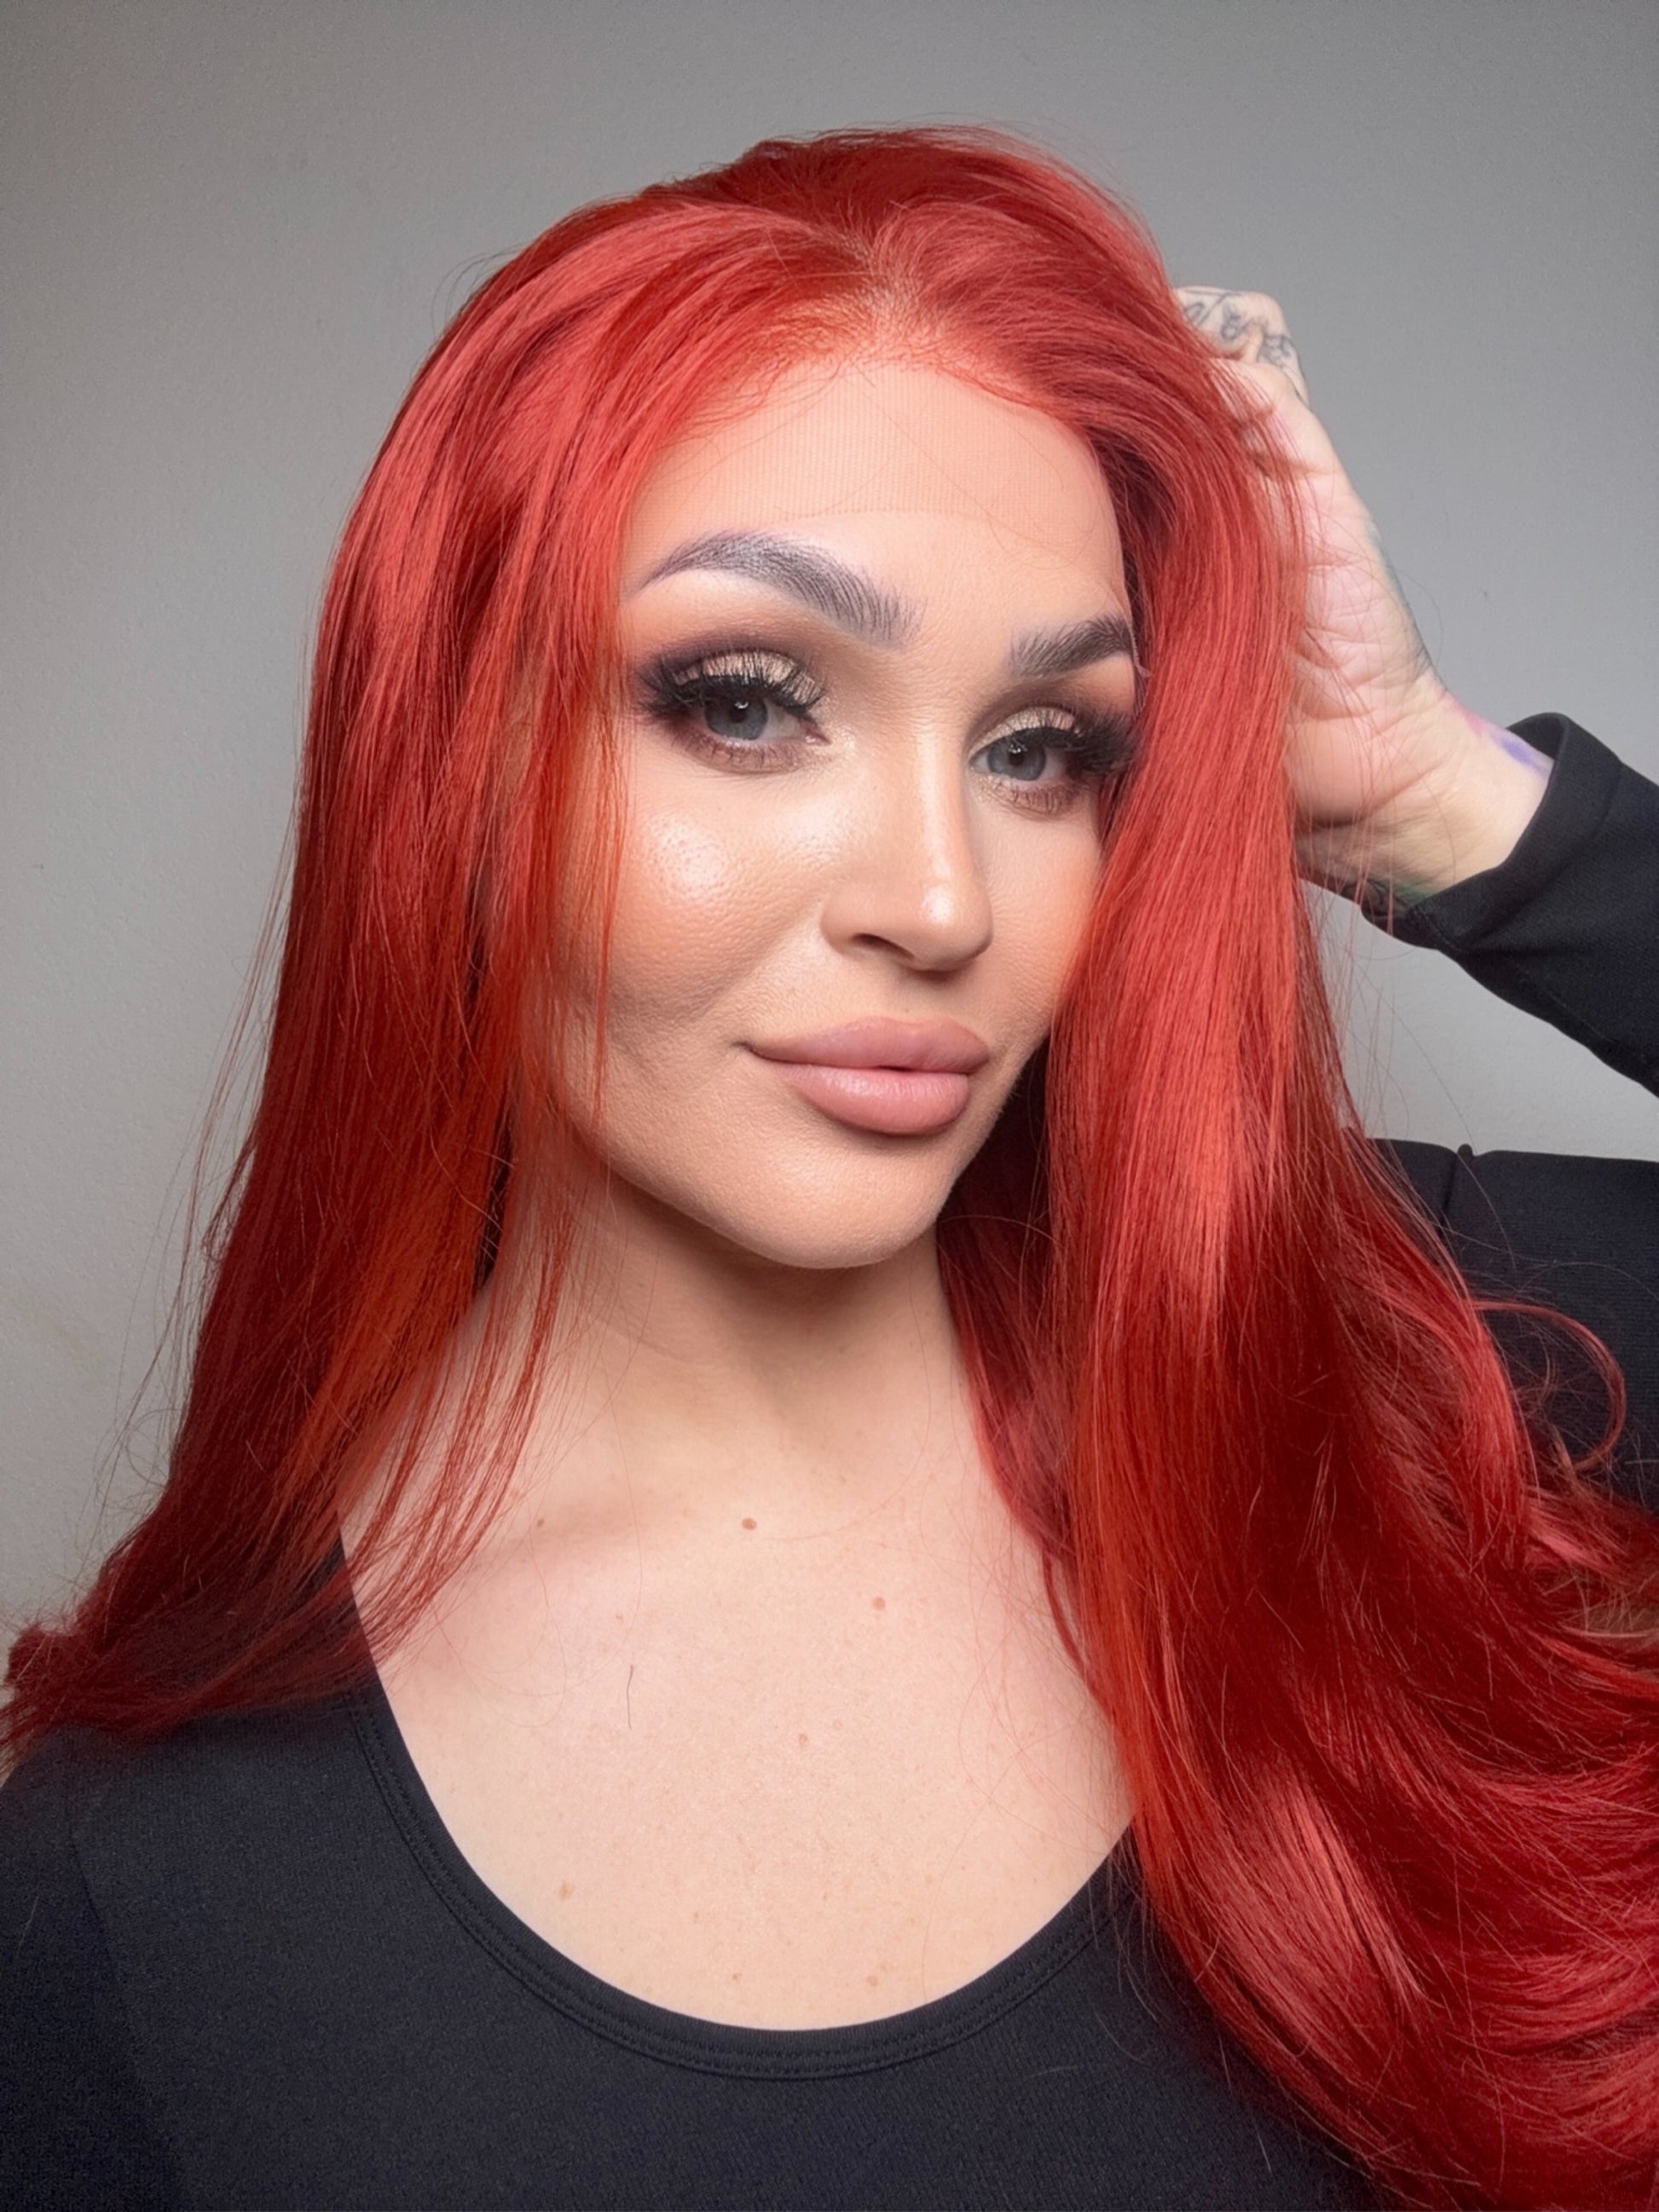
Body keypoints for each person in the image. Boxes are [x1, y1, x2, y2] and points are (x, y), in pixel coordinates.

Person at [3, 125, 1656, 2212]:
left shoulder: (1396, 1349)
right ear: (454, 755)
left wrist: (1441, 801)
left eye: (1042, 747)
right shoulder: (133, 1887)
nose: (940, 899)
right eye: (748, 702)